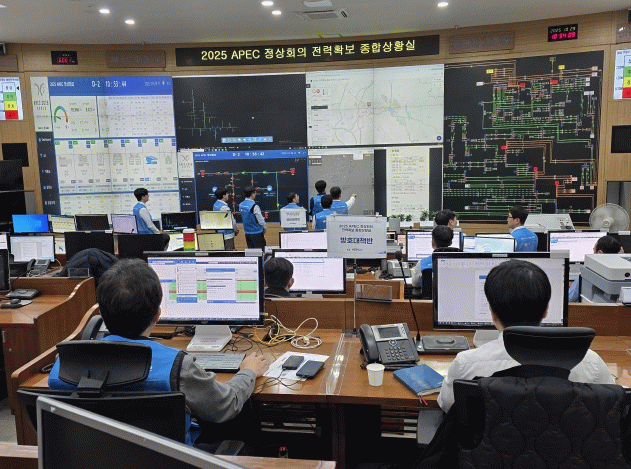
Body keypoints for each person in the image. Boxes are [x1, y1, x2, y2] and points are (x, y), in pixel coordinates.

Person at [48, 259, 269, 445]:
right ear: (157, 314)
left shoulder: (65, 364)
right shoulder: (177, 367)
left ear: (102, 314)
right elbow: (225, 405)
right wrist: (248, 371)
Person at [437, 259, 615, 413]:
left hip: (493, 443)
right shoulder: (591, 363)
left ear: (492, 313)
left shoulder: (465, 364)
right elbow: (613, 408)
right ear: (546, 310)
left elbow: (447, 405)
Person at [568, 235, 623, 302]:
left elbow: (569, 299)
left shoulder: (587, 274)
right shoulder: (622, 275)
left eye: (594, 249)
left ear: (599, 253)